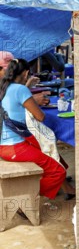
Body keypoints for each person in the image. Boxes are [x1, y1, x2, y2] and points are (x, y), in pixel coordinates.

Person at [0, 59, 67, 200]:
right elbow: (40, 116)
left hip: (6, 144)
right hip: (15, 147)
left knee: (51, 152)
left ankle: (67, 188)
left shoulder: (4, 87)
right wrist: (33, 99)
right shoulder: (20, 89)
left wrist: (28, 89)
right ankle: (25, 198)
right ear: (26, 73)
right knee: (58, 171)